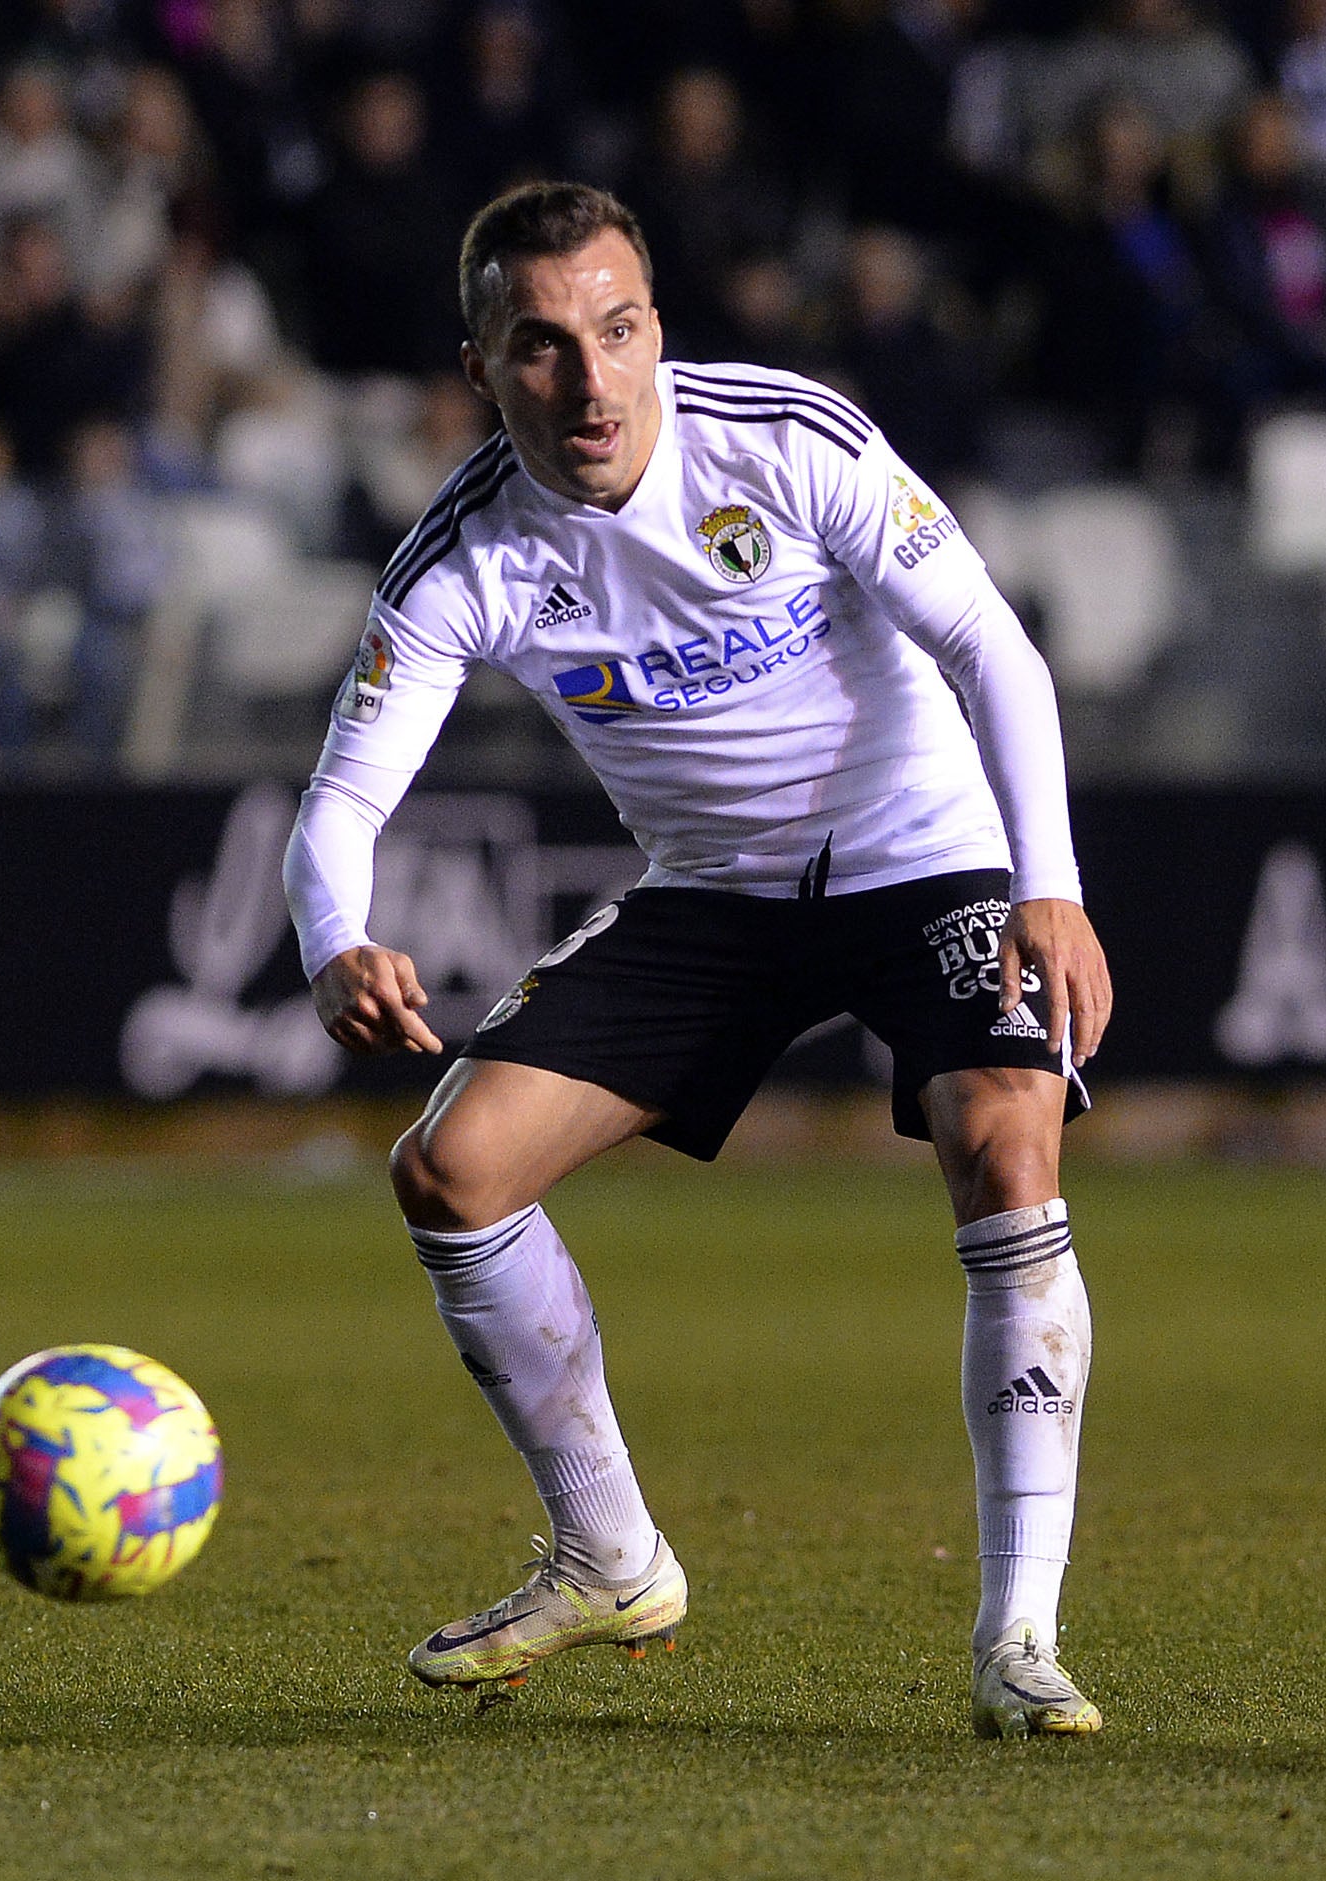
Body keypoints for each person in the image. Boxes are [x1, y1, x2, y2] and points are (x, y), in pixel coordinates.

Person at [286, 183, 1113, 1739]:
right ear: (479, 365)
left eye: (616, 332)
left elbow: (990, 646)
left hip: (919, 846)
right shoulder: (463, 557)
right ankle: (609, 1555)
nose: (589, 382)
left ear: (656, 327)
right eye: (539, 347)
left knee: (1004, 1139)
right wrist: (335, 934)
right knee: (451, 1173)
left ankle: (1020, 1638)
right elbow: (341, 801)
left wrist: (1047, 889)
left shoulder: (786, 437)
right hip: (713, 894)